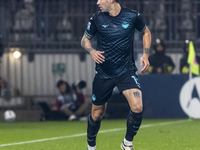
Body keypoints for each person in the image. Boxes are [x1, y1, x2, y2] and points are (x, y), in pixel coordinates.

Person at [81, 0, 151, 150]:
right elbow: (84, 40)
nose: (97, 2)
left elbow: (146, 31)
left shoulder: (132, 16)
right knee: (97, 114)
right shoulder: (96, 18)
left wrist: (146, 54)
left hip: (126, 71)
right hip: (103, 73)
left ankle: (127, 143)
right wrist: (91, 51)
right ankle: (91, 147)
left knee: (138, 106)